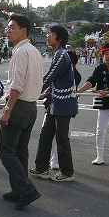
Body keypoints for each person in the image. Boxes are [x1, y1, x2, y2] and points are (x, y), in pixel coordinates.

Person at [0, 14, 43, 210]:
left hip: (18, 105)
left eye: (12, 27)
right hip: (31, 106)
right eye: (8, 27)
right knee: (20, 151)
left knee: (6, 150)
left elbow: (17, 84)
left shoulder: (20, 52)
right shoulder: (34, 50)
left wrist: (8, 109)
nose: (8, 30)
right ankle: (18, 190)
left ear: (24, 29)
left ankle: (26, 189)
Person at [30, 24, 78, 183]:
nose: (47, 37)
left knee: (62, 138)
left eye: (50, 34)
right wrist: (43, 93)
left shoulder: (61, 55)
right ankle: (42, 168)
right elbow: (53, 82)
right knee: (45, 135)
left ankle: (67, 172)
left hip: (63, 104)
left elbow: (49, 76)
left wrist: (32, 90)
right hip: (55, 103)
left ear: (58, 38)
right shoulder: (58, 54)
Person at [77, 43, 109, 165]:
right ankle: (99, 155)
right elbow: (91, 81)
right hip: (103, 104)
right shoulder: (99, 68)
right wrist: (79, 91)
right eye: (106, 54)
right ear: (102, 55)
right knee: (100, 130)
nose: (108, 56)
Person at [49, 49, 82, 170]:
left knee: (62, 137)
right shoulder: (65, 73)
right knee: (54, 136)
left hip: (66, 108)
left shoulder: (74, 75)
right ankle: (53, 160)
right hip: (54, 106)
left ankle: (57, 162)